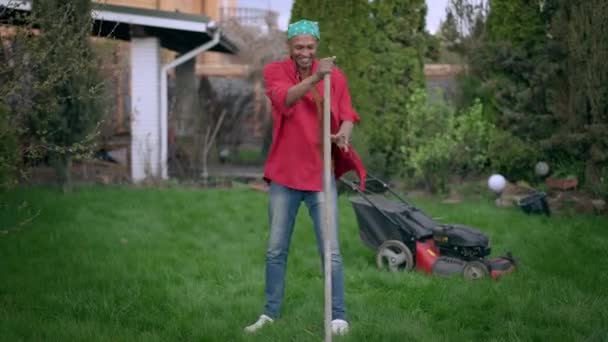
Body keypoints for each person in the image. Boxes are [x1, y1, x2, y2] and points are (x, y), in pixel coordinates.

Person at [244, 19, 366, 336]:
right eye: (299, 47)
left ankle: (338, 317)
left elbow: (349, 113)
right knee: (275, 249)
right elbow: (285, 99)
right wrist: (316, 77)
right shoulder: (275, 72)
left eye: (310, 47)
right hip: (285, 175)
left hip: (321, 175)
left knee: (332, 250)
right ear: (289, 47)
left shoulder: (334, 76)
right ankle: (270, 314)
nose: (305, 52)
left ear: (317, 46)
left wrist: (343, 133)